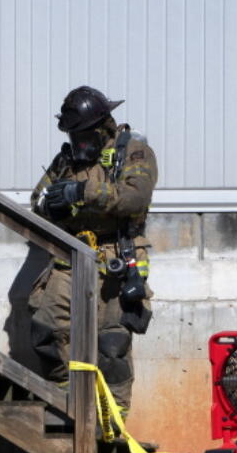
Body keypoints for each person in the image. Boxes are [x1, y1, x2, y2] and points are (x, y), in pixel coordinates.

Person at [28, 86, 157, 417]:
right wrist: (53, 207)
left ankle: (111, 426)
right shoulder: (67, 159)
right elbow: (37, 200)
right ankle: (66, 406)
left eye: (83, 134)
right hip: (71, 256)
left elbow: (134, 198)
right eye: (73, 134)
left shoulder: (134, 152)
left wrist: (84, 191)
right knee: (47, 327)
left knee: (111, 346)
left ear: (103, 127)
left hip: (117, 254)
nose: (78, 141)